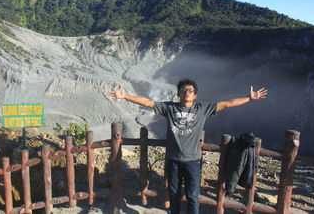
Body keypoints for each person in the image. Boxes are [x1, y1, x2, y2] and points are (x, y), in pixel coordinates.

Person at [108, 79, 267, 214]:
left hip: (193, 161)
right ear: (178, 94)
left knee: (192, 195)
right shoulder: (169, 108)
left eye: (190, 90)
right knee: (174, 194)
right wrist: (125, 96)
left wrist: (249, 98)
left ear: (195, 95)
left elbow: (226, 104)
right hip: (174, 160)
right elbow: (149, 102)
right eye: (183, 90)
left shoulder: (202, 109)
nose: (187, 92)